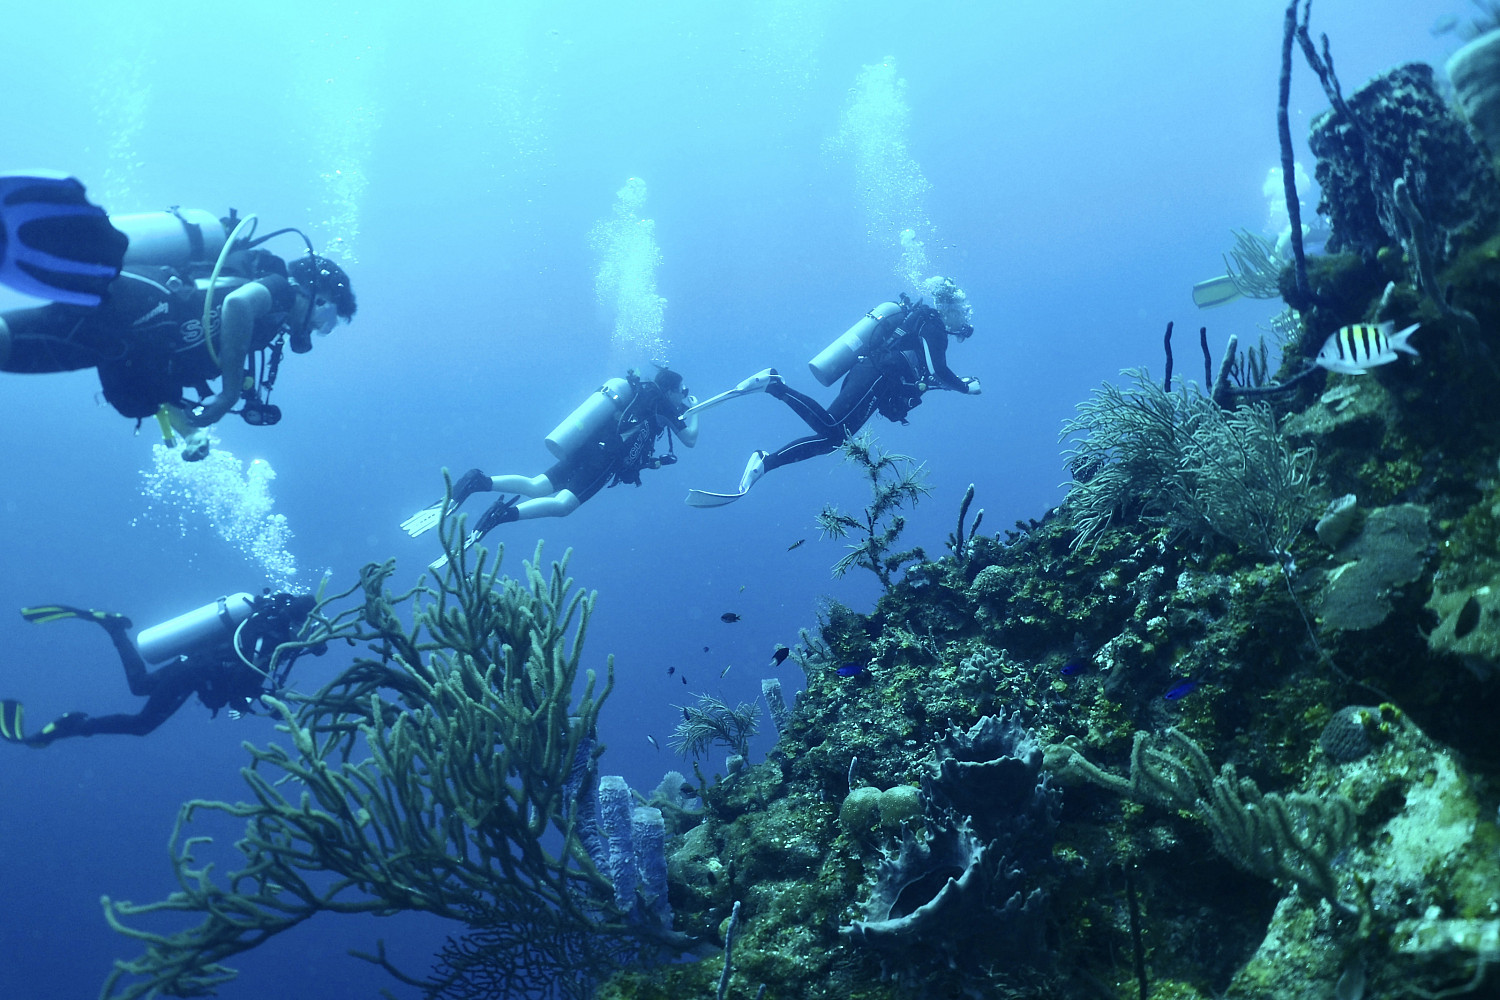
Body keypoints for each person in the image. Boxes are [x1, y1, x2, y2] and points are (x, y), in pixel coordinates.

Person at [0, 172, 357, 461]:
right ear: (318, 297)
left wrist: (191, 433)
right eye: (326, 320)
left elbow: (179, 359)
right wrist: (229, 394)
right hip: (142, 305)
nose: (316, 330)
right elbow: (236, 305)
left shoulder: (265, 328)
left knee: (11, 344)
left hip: (128, 341)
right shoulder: (279, 287)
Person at [685, 277, 981, 506]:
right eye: (963, 312)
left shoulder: (920, 324)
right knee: (833, 426)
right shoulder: (933, 325)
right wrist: (964, 388)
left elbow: (927, 376)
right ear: (950, 308)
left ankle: (767, 462)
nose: (964, 320)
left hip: (872, 376)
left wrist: (953, 384)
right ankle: (774, 385)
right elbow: (939, 370)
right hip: (875, 375)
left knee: (834, 439)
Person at [403, 367, 700, 554]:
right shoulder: (662, 402)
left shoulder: (638, 393)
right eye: (681, 392)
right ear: (671, 389)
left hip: (585, 446)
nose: (681, 397)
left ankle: (479, 481)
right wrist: (694, 409)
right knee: (564, 506)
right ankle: (501, 515)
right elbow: (690, 439)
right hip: (606, 458)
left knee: (536, 485)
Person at [0, 591, 321, 747]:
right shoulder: (270, 635)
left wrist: (261, 696)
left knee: (140, 686)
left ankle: (112, 627)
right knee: (141, 724)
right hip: (195, 672)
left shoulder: (268, 628)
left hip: (193, 666)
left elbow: (242, 670)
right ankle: (73, 725)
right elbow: (242, 675)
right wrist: (265, 700)